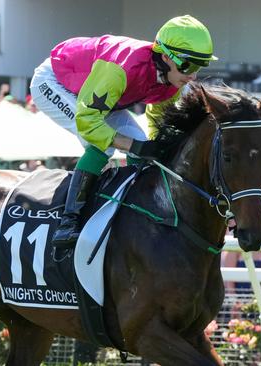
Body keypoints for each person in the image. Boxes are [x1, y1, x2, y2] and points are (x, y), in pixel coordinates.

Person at [30, 15, 217, 247]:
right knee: (103, 144)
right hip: (55, 81)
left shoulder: (171, 81)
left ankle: (135, 213)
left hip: (99, 92)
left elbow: (159, 124)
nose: (193, 75)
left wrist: (156, 147)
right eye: (189, 65)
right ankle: (68, 222)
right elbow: (89, 122)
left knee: (140, 147)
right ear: (166, 56)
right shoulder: (122, 67)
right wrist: (134, 146)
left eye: (201, 66)